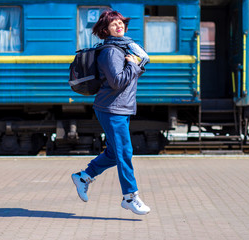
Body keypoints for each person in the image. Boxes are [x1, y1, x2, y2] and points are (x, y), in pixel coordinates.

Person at [71, 9, 150, 215]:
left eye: (121, 22)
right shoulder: (111, 52)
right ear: (105, 30)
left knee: (115, 153)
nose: (119, 25)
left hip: (119, 107)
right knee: (124, 152)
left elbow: (128, 74)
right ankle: (130, 197)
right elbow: (117, 82)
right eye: (114, 24)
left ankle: (83, 177)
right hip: (112, 108)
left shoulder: (122, 48)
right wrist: (133, 66)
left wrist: (135, 65)